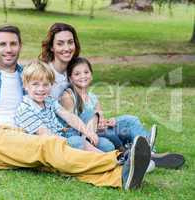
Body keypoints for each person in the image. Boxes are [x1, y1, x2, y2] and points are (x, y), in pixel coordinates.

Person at [0, 24, 151, 190]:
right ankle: (118, 160)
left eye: (13, 44)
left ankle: (119, 178)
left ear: (20, 46)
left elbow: (55, 91)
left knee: (53, 161)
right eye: (3, 44)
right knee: (49, 145)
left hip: (24, 137)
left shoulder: (26, 75)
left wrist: (94, 116)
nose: (8, 49)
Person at [40, 23, 184, 170]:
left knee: (129, 121)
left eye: (70, 42)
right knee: (107, 139)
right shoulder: (46, 75)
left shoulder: (76, 67)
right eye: (60, 43)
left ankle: (148, 152)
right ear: (51, 47)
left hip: (94, 125)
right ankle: (132, 154)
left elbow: (94, 107)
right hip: (76, 130)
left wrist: (101, 118)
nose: (67, 48)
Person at [15, 61, 106, 152]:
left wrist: (87, 132)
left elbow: (69, 116)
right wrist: (73, 142)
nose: (41, 89)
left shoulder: (48, 100)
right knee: (77, 142)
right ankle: (105, 159)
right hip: (52, 144)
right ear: (25, 86)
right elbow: (46, 135)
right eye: (35, 84)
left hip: (64, 134)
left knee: (106, 145)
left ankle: (95, 148)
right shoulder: (25, 110)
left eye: (45, 84)